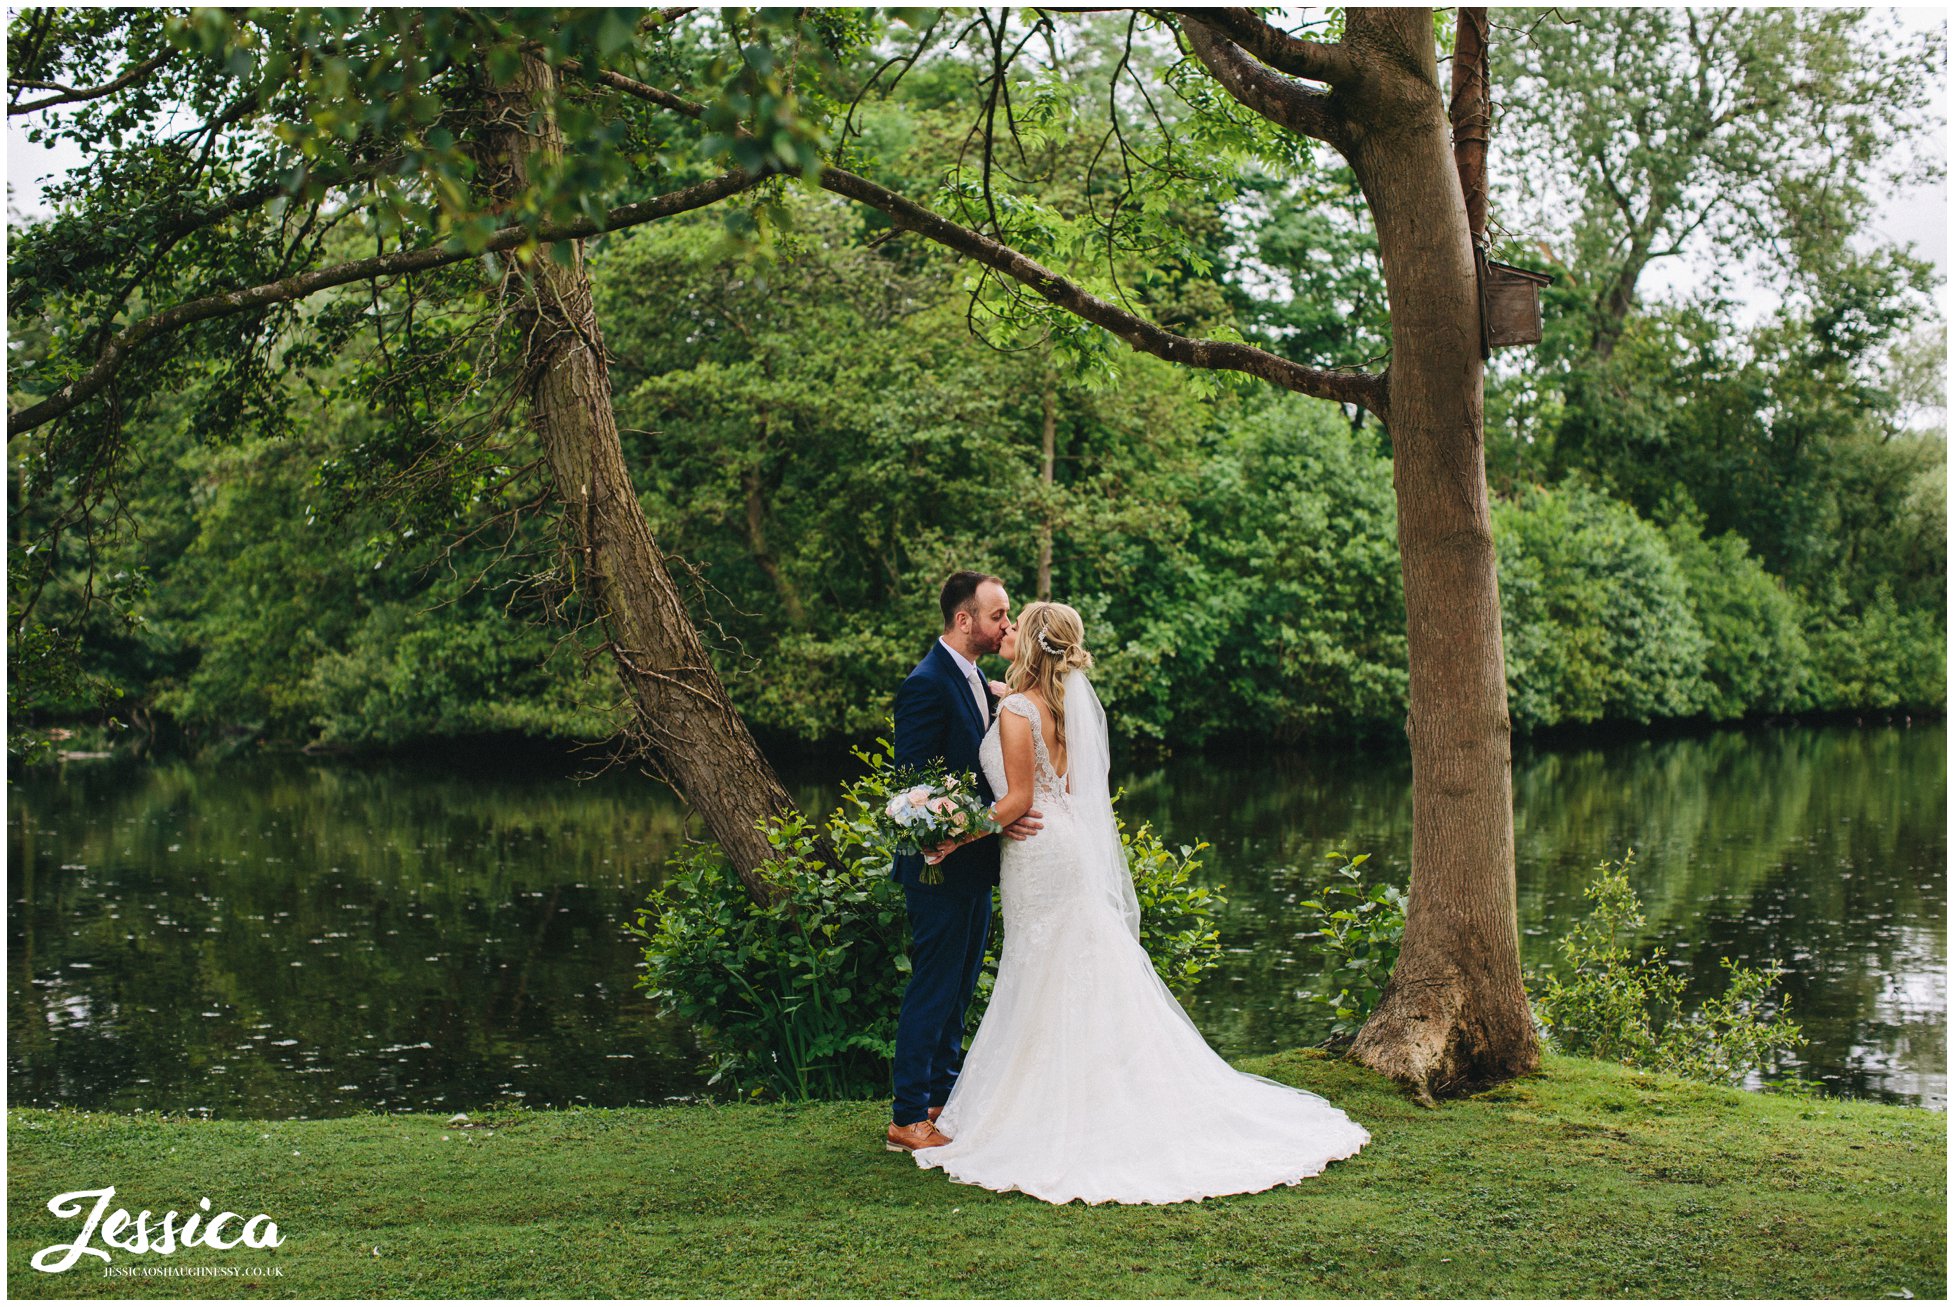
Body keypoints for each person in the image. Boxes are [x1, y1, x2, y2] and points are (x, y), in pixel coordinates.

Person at [908, 600, 1371, 1204]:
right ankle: (1097, 1097)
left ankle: (1054, 1112)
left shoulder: (1021, 709)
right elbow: (1061, 784)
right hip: (1065, 842)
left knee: (1044, 969)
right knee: (1068, 966)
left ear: (1033, 643)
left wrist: (957, 832)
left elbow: (1019, 798)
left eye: (1017, 622)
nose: (1010, 629)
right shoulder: (1055, 705)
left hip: (1041, 852)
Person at [884, 572, 1044, 1155]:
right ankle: (906, 1116)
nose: (1007, 625)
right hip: (938, 864)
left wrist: (998, 820)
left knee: (958, 989)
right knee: (933, 986)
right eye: (999, 616)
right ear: (963, 620)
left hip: (973, 864)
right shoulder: (925, 684)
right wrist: (988, 819)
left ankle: (939, 1099)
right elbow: (913, 782)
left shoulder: (977, 679)